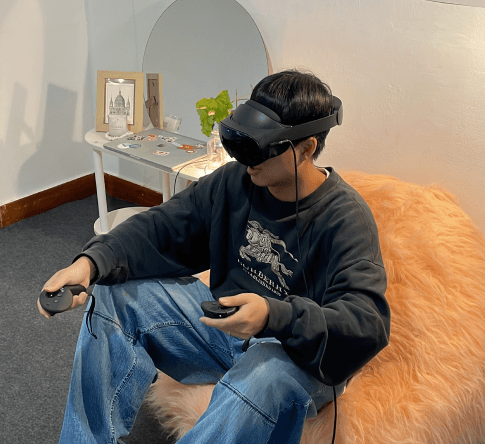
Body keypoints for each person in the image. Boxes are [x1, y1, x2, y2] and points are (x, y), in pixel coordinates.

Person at [38, 69, 390, 444]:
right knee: (113, 294)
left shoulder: (346, 219)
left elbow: (367, 322)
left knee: (264, 372)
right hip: (224, 327)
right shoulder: (236, 181)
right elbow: (162, 226)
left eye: (260, 148)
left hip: (294, 355)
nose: (247, 160)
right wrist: (90, 263)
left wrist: (273, 315)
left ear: (306, 149)